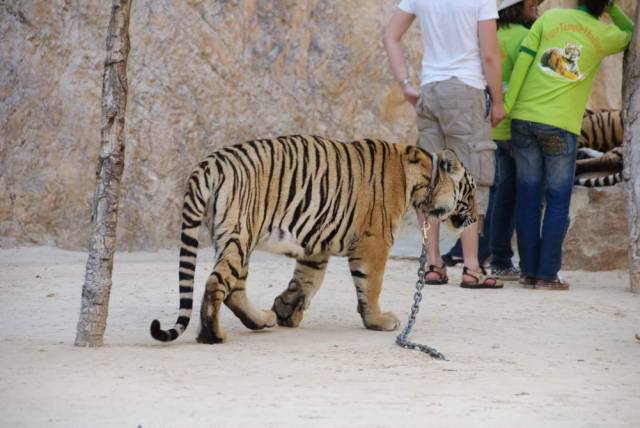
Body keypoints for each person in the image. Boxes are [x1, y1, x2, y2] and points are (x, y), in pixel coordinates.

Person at [505, 0, 634, 290]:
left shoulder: (550, 18)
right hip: (560, 126)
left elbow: (525, 58)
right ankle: (547, 275)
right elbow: (632, 31)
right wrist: (611, 8)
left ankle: (528, 272)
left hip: (523, 118)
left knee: (527, 196)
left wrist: (509, 106)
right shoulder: (604, 35)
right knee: (558, 198)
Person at [384, 0, 505, 288]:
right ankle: (472, 267)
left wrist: (405, 84)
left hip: (431, 89)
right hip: (466, 89)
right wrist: (498, 100)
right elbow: (489, 55)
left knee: (431, 179)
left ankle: (433, 263)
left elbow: (390, 35)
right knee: (469, 177)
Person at [442, 0, 541, 283]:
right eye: (532, 4)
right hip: (514, 124)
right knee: (514, 198)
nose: (536, 8)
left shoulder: (486, 35)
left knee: (496, 197)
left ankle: (482, 254)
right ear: (518, 6)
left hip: (488, 126)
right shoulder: (526, 36)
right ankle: (501, 258)